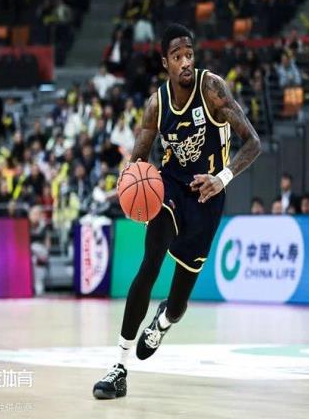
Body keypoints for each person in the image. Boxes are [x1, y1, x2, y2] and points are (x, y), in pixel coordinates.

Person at [93, 23, 261, 399]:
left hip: (207, 196)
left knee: (178, 303)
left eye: (189, 54)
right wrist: (129, 190)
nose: (185, 62)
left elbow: (253, 142)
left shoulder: (212, 88)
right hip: (169, 189)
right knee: (150, 263)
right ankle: (118, 367)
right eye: (177, 56)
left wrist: (222, 178)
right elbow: (138, 160)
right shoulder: (157, 104)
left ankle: (163, 321)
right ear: (165, 62)